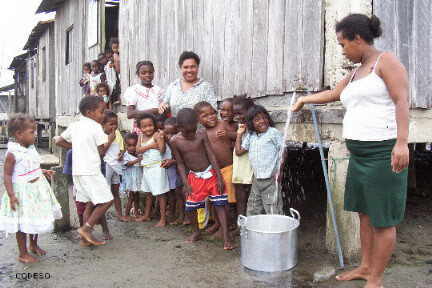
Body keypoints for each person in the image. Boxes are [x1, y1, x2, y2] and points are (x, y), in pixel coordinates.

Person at [291, 14, 409, 288]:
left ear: (358, 39)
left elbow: (402, 100)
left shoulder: (386, 62)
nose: (342, 50)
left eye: (343, 44)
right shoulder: (356, 71)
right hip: (360, 154)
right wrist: (304, 100)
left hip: (383, 153)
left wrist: (402, 143)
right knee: (364, 213)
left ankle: (376, 279)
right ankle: (366, 267)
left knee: (383, 219)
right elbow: (333, 93)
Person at [0, 114, 62, 263]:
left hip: (37, 190)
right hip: (22, 193)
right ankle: (23, 253)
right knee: (22, 223)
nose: (35, 135)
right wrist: (11, 195)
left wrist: (42, 171)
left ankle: (34, 245)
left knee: (35, 219)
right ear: (19, 134)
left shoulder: (31, 148)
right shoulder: (12, 153)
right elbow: (7, 175)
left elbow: (31, 166)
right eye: (32, 132)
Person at [170, 108, 234, 250]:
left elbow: (211, 155)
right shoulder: (175, 141)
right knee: (191, 207)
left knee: (220, 205)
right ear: (179, 128)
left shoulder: (201, 134)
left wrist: (218, 176)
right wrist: (185, 183)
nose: (192, 134)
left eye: (194, 130)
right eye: (188, 132)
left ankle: (226, 237)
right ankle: (196, 231)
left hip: (210, 174)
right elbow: (180, 163)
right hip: (194, 177)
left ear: (197, 125)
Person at [55, 96, 114, 246]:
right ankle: (87, 229)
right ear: (90, 112)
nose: (103, 115)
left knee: (88, 203)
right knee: (107, 200)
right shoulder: (95, 127)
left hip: (78, 172)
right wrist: (110, 140)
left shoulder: (75, 125)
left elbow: (58, 140)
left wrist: (76, 147)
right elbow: (101, 151)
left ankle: (84, 239)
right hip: (91, 170)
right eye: (101, 112)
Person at [195, 101, 237, 234]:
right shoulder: (201, 133)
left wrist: (228, 135)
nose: (211, 117)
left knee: (229, 201)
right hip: (213, 171)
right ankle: (218, 223)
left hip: (228, 168)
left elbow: (238, 137)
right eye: (205, 116)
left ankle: (229, 225)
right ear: (198, 120)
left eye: (213, 113)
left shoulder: (222, 125)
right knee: (215, 200)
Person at [235, 105, 283, 216]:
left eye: (264, 118)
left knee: (273, 209)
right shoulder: (251, 136)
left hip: (271, 179)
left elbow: (283, 151)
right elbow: (238, 152)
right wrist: (239, 134)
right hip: (256, 180)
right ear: (251, 123)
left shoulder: (273, 133)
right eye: (257, 120)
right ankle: (254, 231)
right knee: (253, 209)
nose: (262, 121)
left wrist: (280, 171)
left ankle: (275, 232)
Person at [134, 113, 169, 227]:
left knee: (160, 193)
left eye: (150, 125)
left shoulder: (157, 135)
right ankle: (146, 215)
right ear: (140, 128)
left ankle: (163, 219)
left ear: (154, 125)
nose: (148, 128)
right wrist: (151, 146)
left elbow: (162, 150)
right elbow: (138, 150)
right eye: (144, 126)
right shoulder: (140, 136)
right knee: (148, 193)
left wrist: (160, 139)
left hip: (157, 167)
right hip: (147, 168)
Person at [159, 51, 217, 117]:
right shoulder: (173, 86)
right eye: (185, 67)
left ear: (197, 67)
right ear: (180, 68)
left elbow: (213, 111)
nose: (189, 70)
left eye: (193, 67)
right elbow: (165, 105)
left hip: (199, 127)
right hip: (176, 127)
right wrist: (163, 106)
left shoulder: (206, 87)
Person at [101, 111, 128, 222]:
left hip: (116, 166)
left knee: (116, 191)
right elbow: (102, 152)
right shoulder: (101, 136)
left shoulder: (117, 133)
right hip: (106, 165)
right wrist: (110, 140)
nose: (114, 127)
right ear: (103, 125)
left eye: (115, 124)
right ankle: (100, 216)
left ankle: (119, 214)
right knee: (104, 192)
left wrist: (121, 153)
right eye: (111, 124)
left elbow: (122, 147)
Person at [231, 95, 255, 217]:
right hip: (239, 165)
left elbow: (239, 150)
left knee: (251, 198)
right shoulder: (239, 127)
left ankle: (250, 224)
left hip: (250, 166)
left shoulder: (253, 129)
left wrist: (239, 134)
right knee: (240, 197)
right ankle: (241, 224)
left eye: (240, 113)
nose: (238, 117)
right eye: (235, 114)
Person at [126, 61, 164, 134]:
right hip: (140, 129)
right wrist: (154, 111)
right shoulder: (134, 90)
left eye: (150, 72)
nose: (147, 75)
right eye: (143, 73)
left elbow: (163, 111)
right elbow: (130, 114)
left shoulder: (159, 91)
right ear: (138, 74)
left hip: (156, 128)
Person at [161, 117, 187, 225]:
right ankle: (181, 216)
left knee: (185, 194)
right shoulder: (168, 143)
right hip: (177, 173)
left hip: (185, 173)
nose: (170, 137)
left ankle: (188, 217)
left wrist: (173, 162)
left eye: (173, 133)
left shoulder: (182, 142)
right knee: (178, 194)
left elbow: (186, 159)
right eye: (167, 133)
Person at [121, 132, 143, 219]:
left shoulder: (138, 154)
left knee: (137, 197)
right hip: (130, 181)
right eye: (129, 145)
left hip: (137, 180)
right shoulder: (125, 155)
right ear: (125, 145)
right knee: (131, 197)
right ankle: (126, 214)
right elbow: (127, 164)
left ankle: (136, 213)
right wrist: (137, 160)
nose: (132, 148)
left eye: (134, 145)